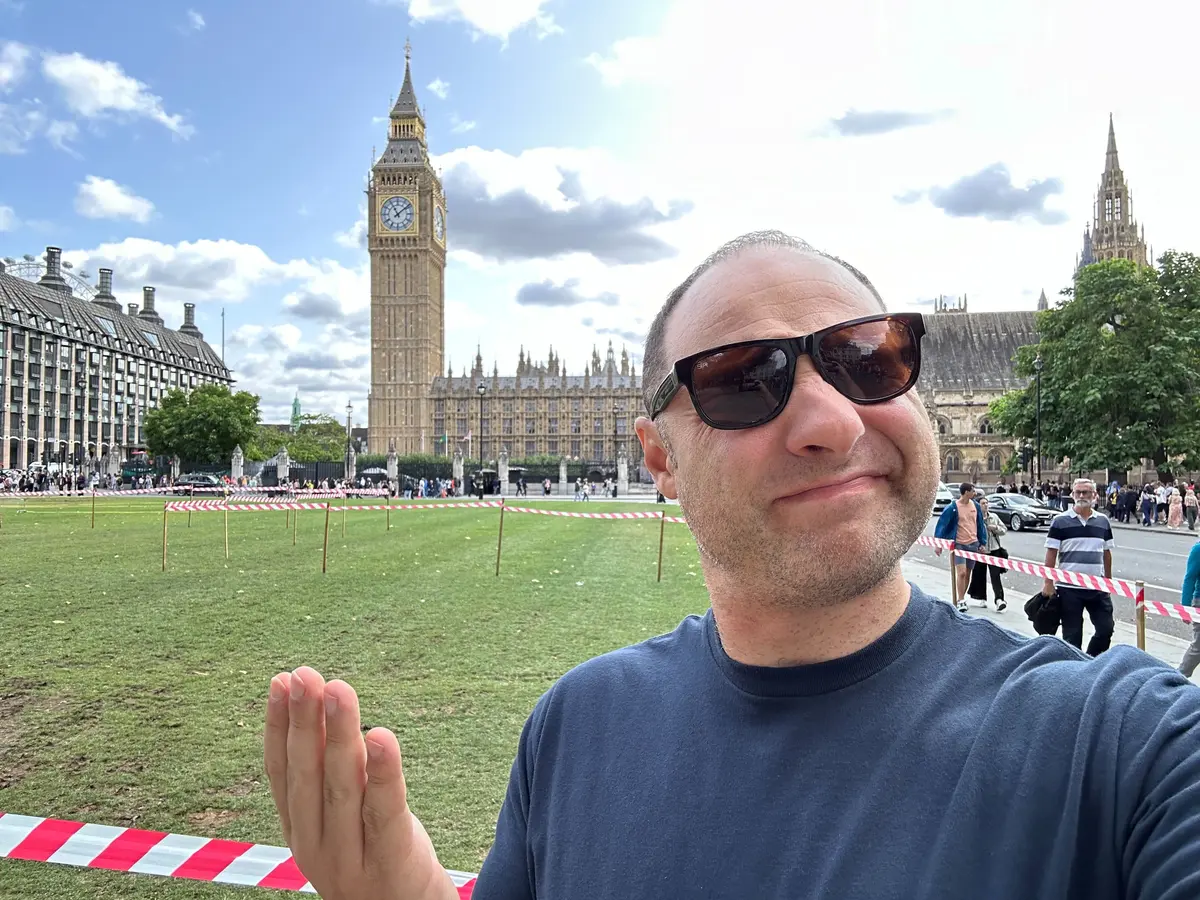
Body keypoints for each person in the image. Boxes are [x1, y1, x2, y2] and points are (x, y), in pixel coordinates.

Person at [264, 232, 1200, 900]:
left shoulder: (1132, 750)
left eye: (869, 360)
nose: (831, 419)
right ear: (657, 457)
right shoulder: (574, 729)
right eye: (744, 380)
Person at [1042, 478, 1116, 656]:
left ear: (1095, 495)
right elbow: (1051, 554)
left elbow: (1106, 553)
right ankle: (1075, 669)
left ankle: (1089, 660)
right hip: (1069, 588)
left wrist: (1108, 580)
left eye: (1086, 492)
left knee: (1106, 629)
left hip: (1096, 587)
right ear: (1072, 495)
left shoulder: (1103, 521)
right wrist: (1048, 583)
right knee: (1072, 636)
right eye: (1078, 492)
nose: (1082, 496)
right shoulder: (1060, 521)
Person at [932, 482, 987, 613]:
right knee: (961, 572)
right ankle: (961, 600)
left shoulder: (976, 506)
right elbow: (942, 524)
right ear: (966, 492)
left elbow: (980, 524)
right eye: (973, 491)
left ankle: (961, 598)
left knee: (968, 573)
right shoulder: (953, 507)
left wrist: (982, 542)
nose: (975, 493)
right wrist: (938, 544)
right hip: (959, 544)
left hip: (973, 543)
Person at [966, 496, 1007, 612]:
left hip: (994, 550)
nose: (985, 505)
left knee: (995, 575)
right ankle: (981, 598)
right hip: (980, 551)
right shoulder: (974, 518)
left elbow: (1004, 530)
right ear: (978, 505)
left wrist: (995, 528)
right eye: (983, 503)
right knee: (979, 574)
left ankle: (999, 600)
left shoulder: (994, 517)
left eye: (987, 503)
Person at [1178, 538, 1200, 679]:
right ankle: (1177, 677)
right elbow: (1190, 578)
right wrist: (1185, 608)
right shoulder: (1198, 549)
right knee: (1199, 647)